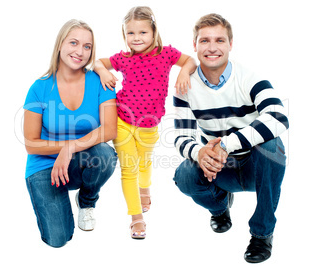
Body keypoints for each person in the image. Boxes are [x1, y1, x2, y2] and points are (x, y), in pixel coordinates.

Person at [173, 13, 289, 263]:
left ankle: (262, 233)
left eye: (219, 40)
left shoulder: (250, 79)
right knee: (184, 175)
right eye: (204, 41)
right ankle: (220, 206)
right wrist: (200, 153)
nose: (212, 47)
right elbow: (181, 136)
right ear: (195, 46)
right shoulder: (185, 86)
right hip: (219, 168)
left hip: (255, 166)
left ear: (230, 44)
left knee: (272, 144)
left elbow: (279, 117)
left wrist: (227, 144)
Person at [94, 6, 197, 239]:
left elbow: (190, 61)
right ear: (124, 35)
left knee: (144, 163)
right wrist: (103, 72)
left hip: (149, 124)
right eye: (131, 33)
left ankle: (145, 188)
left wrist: (182, 73)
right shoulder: (124, 58)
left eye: (142, 32)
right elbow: (97, 63)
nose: (136, 38)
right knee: (129, 169)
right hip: (122, 120)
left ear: (153, 32)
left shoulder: (167, 54)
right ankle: (136, 217)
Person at [23, 19, 117, 248]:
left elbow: (110, 129)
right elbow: (31, 143)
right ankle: (59, 202)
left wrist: (70, 148)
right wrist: (65, 148)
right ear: (60, 45)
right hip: (44, 167)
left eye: (87, 47)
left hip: (79, 162)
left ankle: (86, 201)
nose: (80, 51)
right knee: (58, 239)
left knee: (105, 154)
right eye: (74, 43)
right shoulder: (40, 87)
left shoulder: (100, 82)